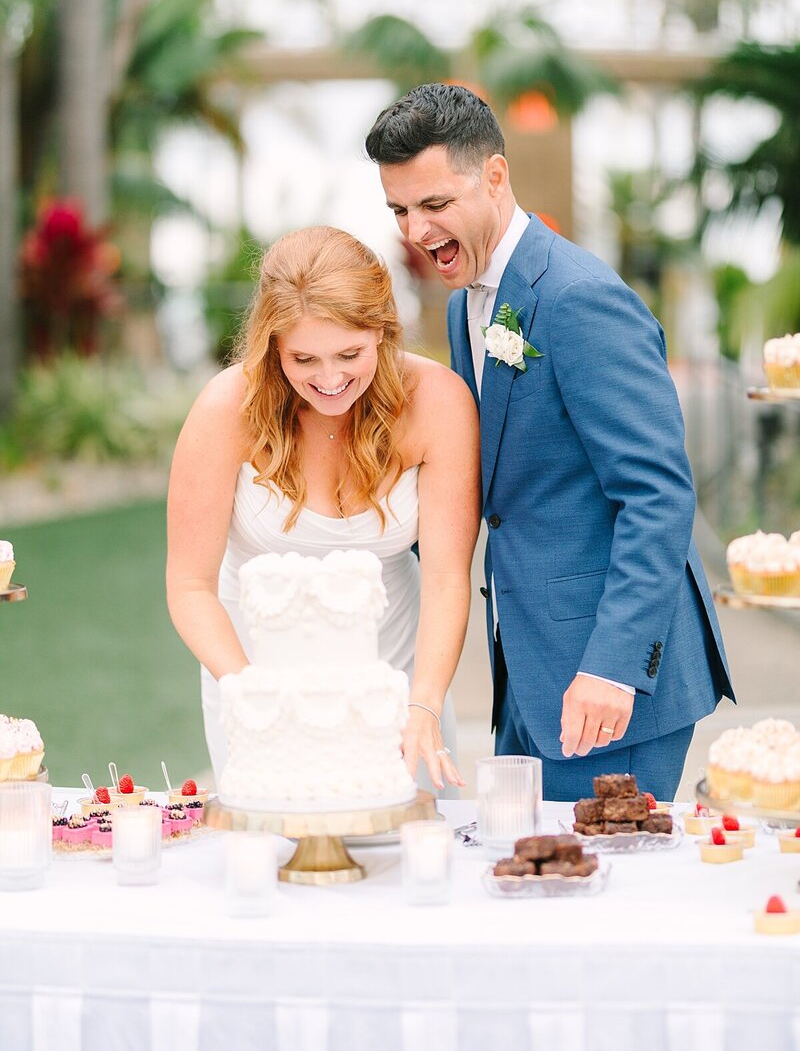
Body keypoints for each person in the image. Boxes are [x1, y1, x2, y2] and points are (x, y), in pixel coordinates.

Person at [365, 83, 734, 801]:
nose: (414, 230)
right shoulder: (464, 305)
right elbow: (486, 479)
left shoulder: (578, 299)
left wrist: (613, 667)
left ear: (495, 177)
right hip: (530, 673)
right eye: (400, 210)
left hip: (613, 686)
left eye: (434, 205)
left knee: (601, 899)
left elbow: (657, 496)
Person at [166, 225, 480, 795]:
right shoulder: (224, 409)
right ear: (271, 346)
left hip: (398, 669)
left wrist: (425, 702)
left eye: (350, 354)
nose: (330, 379)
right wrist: (256, 696)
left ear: (383, 333)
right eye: (304, 358)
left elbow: (445, 579)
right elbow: (189, 585)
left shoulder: (438, 402)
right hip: (251, 664)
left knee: (408, 840)